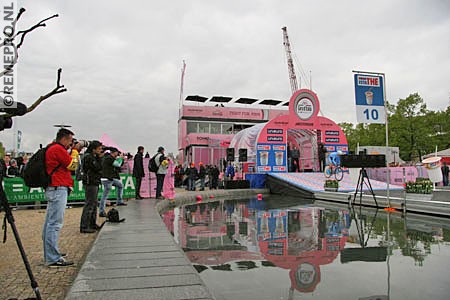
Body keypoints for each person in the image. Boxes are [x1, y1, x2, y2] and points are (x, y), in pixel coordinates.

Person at [43, 128, 81, 267]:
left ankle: (50, 253)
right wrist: (75, 152)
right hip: (58, 187)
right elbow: (73, 165)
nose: (71, 144)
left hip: (55, 187)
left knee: (49, 223)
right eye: (70, 141)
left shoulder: (53, 148)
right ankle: (52, 258)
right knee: (54, 224)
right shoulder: (58, 149)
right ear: (64, 139)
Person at [80, 141, 104, 233]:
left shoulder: (93, 157)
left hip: (94, 182)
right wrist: (99, 158)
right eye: (99, 149)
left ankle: (92, 223)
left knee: (94, 204)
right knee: (89, 204)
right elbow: (97, 168)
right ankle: (84, 226)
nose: (101, 150)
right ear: (93, 149)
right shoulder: (88, 158)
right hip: (90, 182)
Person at [99, 148, 126, 217]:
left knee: (120, 185)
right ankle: (101, 211)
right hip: (107, 179)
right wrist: (120, 158)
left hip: (110, 178)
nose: (118, 154)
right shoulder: (109, 158)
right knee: (105, 196)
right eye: (117, 153)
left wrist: (121, 159)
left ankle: (119, 201)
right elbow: (117, 164)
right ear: (114, 152)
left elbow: (119, 164)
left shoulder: (110, 158)